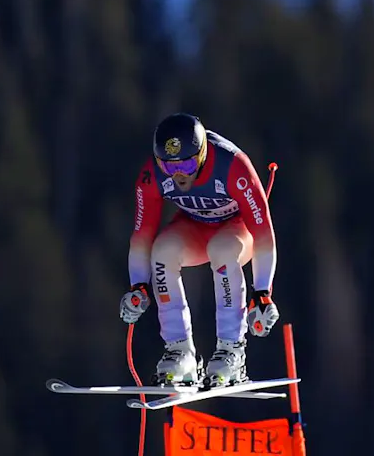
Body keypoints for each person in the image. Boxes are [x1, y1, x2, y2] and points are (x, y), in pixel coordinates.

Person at [119, 112, 281, 388]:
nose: (179, 174)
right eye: (170, 168)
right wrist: (138, 287)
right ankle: (180, 351)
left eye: (188, 164)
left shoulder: (233, 166)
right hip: (195, 225)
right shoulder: (151, 175)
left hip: (236, 228)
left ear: (203, 153)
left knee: (222, 250)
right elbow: (141, 236)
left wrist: (262, 293)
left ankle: (232, 350)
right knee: (162, 251)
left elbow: (264, 234)